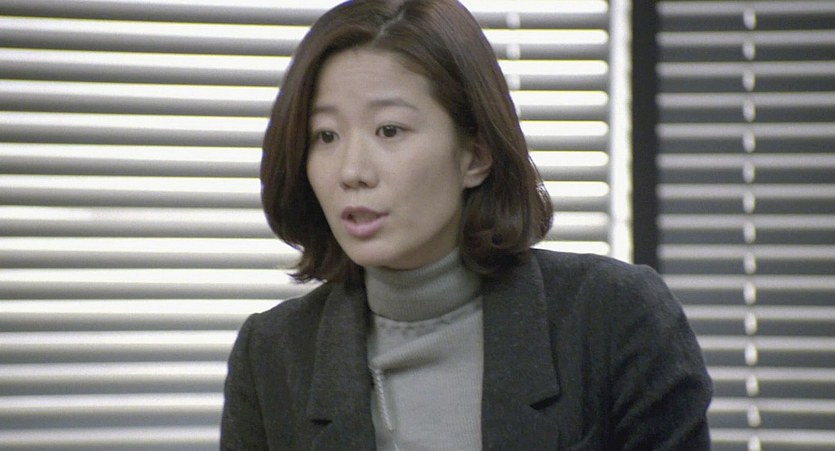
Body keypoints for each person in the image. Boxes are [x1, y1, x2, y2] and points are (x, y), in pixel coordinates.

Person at [221, 0, 713, 449]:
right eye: (326, 135)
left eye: (389, 130)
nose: (352, 171)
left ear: (475, 155)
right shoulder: (271, 357)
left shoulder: (614, 320)